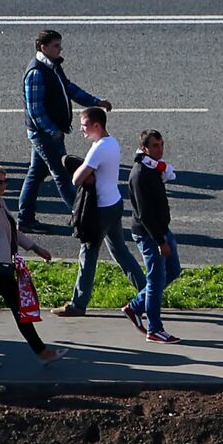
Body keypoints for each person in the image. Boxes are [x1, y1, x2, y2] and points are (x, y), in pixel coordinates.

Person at [0, 163, 66, 371]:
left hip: (3, 266)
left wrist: (36, 248)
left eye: (5, 181)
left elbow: (13, 232)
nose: (4, 185)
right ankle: (42, 353)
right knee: (14, 311)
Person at [52, 107, 146, 317]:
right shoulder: (112, 142)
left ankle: (78, 304)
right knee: (121, 252)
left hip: (100, 210)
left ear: (97, 125)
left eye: (85, 125)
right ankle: (148, 293)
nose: (81, 129)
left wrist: (77, 167)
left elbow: (76, 179)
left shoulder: (98, 149)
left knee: (88, 253)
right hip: (114, 203)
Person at [17, 29, 112, 232]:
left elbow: (68, 88)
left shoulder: (52, 66)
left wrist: (95, 102)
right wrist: (52, 131)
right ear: (44, 48)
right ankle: (82, 219)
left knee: (35, 173)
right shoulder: (36, 73)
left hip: (51, 133)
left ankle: (25, 219)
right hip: (45, 135)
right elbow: (35, 110)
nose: (60, 48)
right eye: (56, 45)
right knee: (62, 174)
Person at [126, 130, 183, 343]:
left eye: (161, 144)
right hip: (150, 234)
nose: (160, 149)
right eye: (155, 145)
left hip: (161, 230)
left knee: (173, 271)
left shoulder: (154, 168)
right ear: (144, 148)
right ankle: (154, 329)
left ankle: (135, 307)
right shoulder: (140, 174)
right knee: (156, 280)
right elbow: (144, 214)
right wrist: (160, 241)